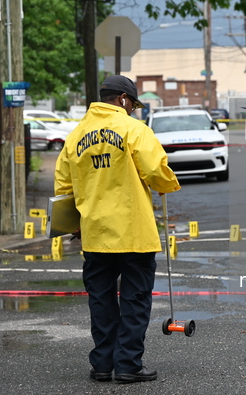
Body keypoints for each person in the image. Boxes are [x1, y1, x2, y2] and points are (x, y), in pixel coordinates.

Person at [54, 75, 180, 384]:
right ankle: (127, 365)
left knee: (102, 299)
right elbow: (155, 170)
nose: (134, 110)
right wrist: (167, 184)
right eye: (133, 104)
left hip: (94, 233)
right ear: (123, 100)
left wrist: (74, 224)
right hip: (133, 231)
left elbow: (63, 187)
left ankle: (102, 364)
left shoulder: (76, 136)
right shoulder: (134, 129)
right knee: (135, 299)